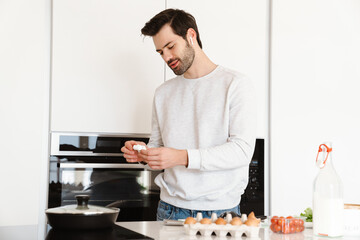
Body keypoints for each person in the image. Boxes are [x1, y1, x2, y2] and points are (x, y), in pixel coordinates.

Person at [121, 9, 256, 221]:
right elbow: (157, 146)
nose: (166, 57)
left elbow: (242, 150)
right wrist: (144, 154)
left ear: (191, 36)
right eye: (160, 52)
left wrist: (181, 157)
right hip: (169, 211)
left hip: (220, 214)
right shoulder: (163, 93)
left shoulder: (235, 84)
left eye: (170, 46)